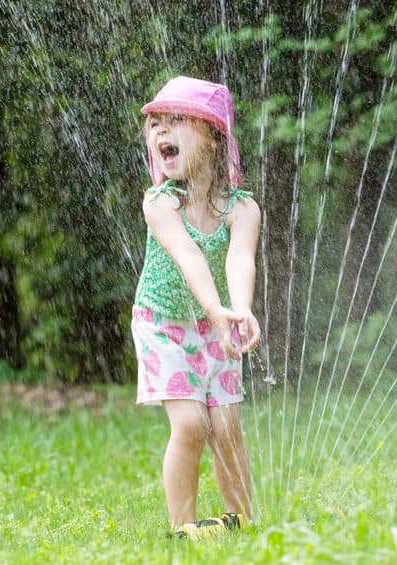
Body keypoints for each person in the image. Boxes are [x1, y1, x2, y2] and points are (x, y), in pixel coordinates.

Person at [131, 75, 262, 540]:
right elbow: (189, 258)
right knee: (190, 424)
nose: (162, 132)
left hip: (216, 326)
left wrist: (239, 311)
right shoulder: (160, 203)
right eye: (155, 124)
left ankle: (242, 520)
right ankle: (181, 527)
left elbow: (239, 259)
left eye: (177, 120)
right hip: (163, 324)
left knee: (226, 426)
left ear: (213, 135)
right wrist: (216, 308)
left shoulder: (241, 209)